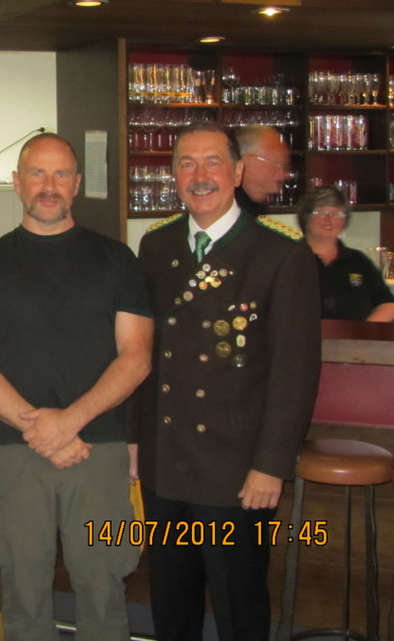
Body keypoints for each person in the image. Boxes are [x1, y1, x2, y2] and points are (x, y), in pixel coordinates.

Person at [0, 133, 153, 640]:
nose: (49, 185)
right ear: (17, 182)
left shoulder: (118, 260)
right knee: (23, 595)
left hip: (97, 449)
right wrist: (40, 429)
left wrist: (68, 423)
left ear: (77, 184)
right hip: (13, 450)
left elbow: (136, 357)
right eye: (37, 174)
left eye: (61, 174)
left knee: (104, 591)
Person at [129, 122, 320, 641]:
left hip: (235, 469)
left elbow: (295, 373)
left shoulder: (280, 252)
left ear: (237, 172)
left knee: (239, 607)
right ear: (173, 176)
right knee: (171, 605)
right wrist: (134, 439)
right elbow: (144, 352)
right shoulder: (157, 244)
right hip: (167, 459)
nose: (200, 175)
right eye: (187, 164)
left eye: (213, 162)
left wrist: (271, 466)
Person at [298, 185, 394, 321]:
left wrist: (362, 331)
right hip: (303, 335)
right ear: (305, 217)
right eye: (321, 212)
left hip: (355, 335)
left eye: (337, 214)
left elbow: (388, 304)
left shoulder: (359, 261)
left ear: (345, 220)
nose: (328, 220)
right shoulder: (290, 260)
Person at [234, 123, 290, 216]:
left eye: (284, 167)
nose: (282, 175)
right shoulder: (227, 210)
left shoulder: (254, 207)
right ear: (248, 162)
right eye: (276, 165)